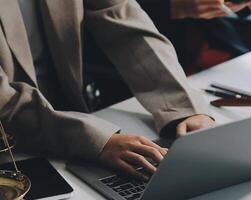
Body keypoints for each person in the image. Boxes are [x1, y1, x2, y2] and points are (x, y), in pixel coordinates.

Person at [0, 0, 215, 181]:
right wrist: (97, 140)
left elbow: (124, 21)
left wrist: (183, 106)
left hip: (76, 122)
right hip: (11, 148)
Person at [137, 0, 251, 74]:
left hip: (217, 43)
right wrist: (173, 6)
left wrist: (247, 3)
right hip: (143, 48)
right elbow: (118, 8)